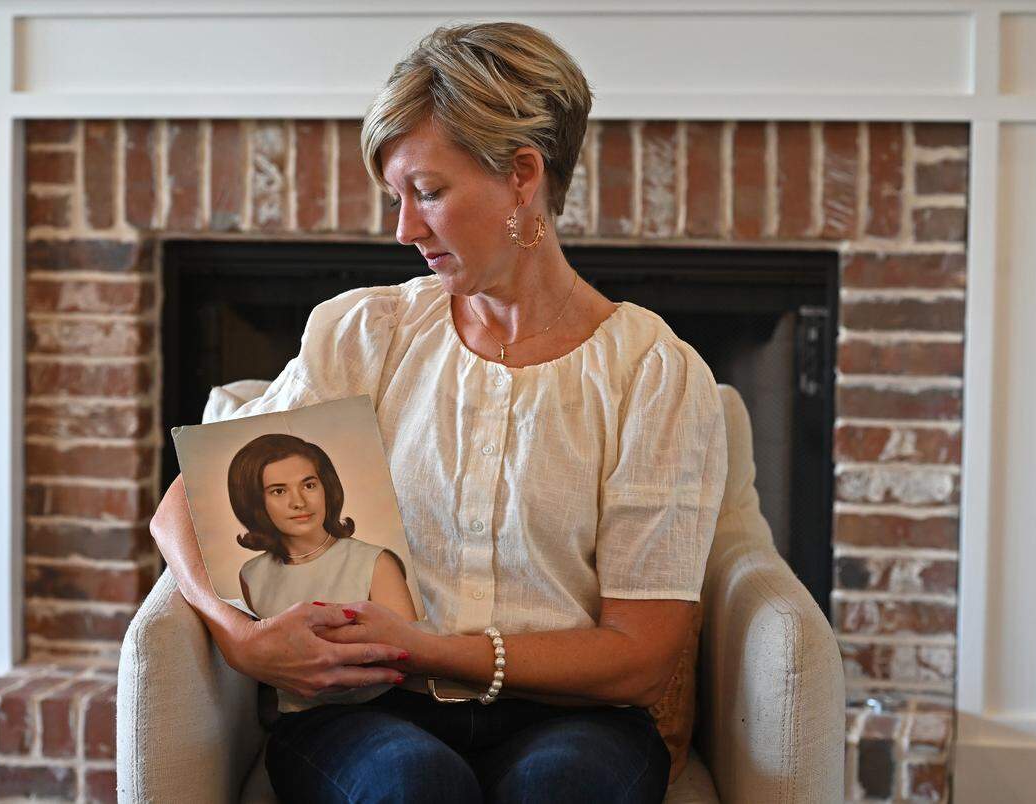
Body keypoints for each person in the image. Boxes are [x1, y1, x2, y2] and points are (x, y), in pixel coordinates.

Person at [150, 20, 728, 803]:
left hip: (575, 718)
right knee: (411, 786)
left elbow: (640, 654)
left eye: (428, 192)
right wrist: (243, 639)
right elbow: (182, 506)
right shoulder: (368, 333)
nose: (404, 229)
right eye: (398, 197)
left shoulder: (651, 374)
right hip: (364, 712)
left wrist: (432, 647)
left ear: (523, 173)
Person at [227, 434, 417, 714]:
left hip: (384, 706)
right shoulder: (251, 575)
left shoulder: (376, 561)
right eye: (279, 491)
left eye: (309, 484)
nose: (299, 502)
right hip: (299, 718)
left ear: (326, 488)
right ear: (255, 502)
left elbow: (410, 656)